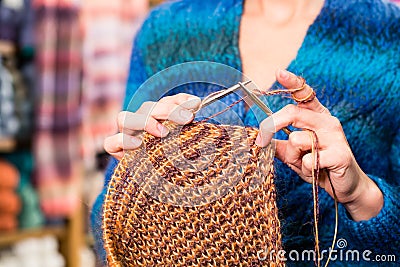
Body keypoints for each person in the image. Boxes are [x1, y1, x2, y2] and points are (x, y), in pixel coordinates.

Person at [92, 0, 400, 265]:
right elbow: (109, 230)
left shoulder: (390, 40)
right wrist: (134, 175)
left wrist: (361, 195)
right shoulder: (164, 30)